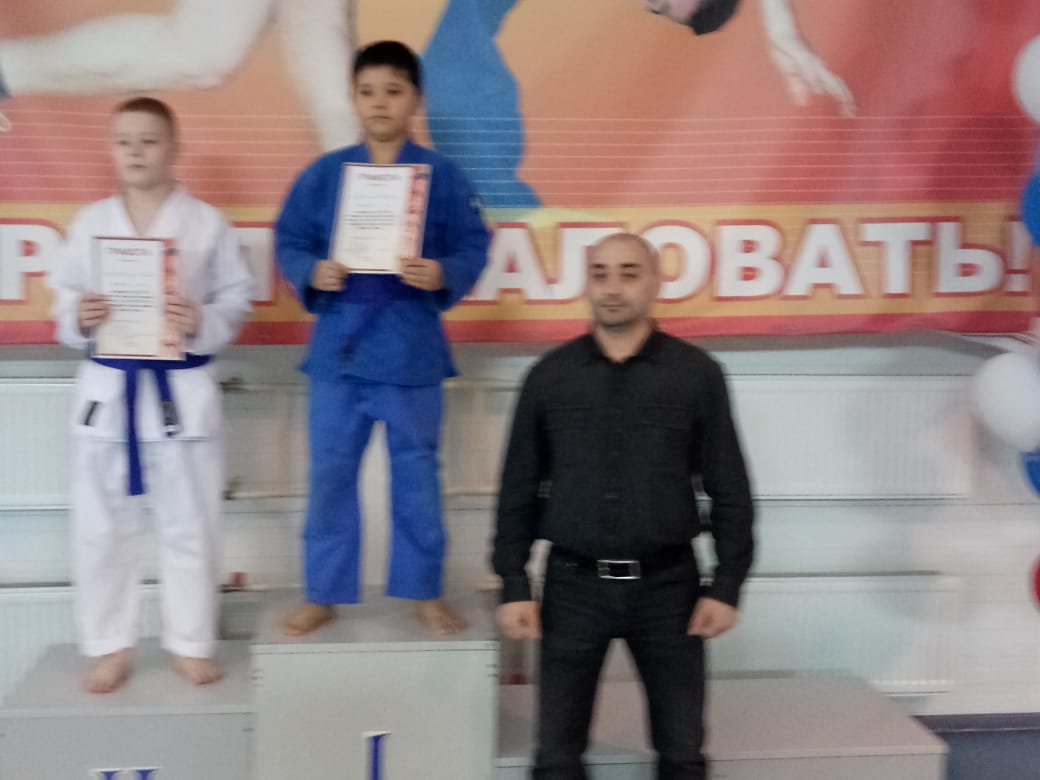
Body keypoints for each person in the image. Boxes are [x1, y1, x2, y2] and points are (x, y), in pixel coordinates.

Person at [493, 232, 755, 779]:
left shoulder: (696, 375)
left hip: (670, 590)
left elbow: (729, 486)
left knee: (682, 754)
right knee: (556, 758)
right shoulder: (548, 377)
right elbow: (517, 487)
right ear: (587, 284)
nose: (613, 288)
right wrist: (514, 583)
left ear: (656, 282)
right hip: (572, 589)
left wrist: (727, 585)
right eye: (601, 274)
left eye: (629, 273)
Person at [274, 40, 489, 637]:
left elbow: (473, 243)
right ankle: (323, 592)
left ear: (415, 99)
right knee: (330, 475)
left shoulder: (442, 177)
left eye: (393, 91)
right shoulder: (325, 175)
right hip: (339, 352)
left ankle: (424, 590)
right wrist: (311, 270)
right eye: (367, 91)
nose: (379, 103)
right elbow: (289, 238)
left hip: (410, 349)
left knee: (417, 476)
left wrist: (442, 272)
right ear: (352, 98)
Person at [47, 97, 255, 693]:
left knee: (191, 524)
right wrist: (79, 316)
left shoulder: (206, 224)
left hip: (178, 396)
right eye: (124, 141)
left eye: (149, 140)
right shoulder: (90, 223)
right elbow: (63, 299)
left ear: (174, 148)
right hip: (109, 396)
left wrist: (201, 318)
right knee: (101, 529)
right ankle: (110, 645)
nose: (136, 151)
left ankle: (190, 641)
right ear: (110, 150)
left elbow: (235, 298)